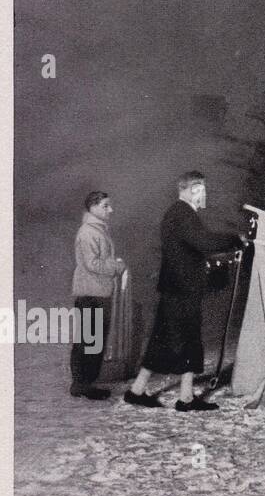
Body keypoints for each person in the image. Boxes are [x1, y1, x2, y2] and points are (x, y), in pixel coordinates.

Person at [125, 171, 243, 412]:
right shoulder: (183, 214)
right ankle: (185, 398)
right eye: (202, 190)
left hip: (175, 288)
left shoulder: (177, 213)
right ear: (191, 189)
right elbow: (203, 242)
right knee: (188, 338)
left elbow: (194, 247)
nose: (205, 194)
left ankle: (137, 391)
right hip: (183, 289)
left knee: (162, 339)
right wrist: (234, 239)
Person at [70, 191, 125, 400]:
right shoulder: (88, 232)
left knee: (93, 339)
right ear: (93, 207)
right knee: (89, 339)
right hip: (91, 293)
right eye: (105, 205)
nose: (110, 209)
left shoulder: (97, 230)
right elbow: (92, 264)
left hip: (97, 291)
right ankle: (82, 383)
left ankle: (85, 383)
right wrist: (116, 266)